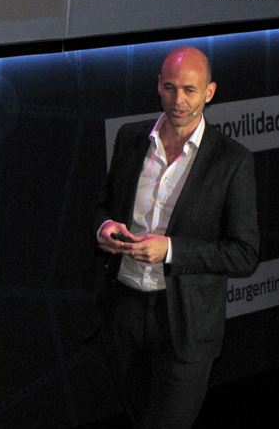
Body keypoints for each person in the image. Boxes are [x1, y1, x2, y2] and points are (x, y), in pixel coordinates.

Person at [93, 46, 259, 429]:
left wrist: (170, 250)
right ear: (158, 85)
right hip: (124, 312)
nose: (178, 100)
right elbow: (104, 205)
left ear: (209, 92)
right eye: (170, 88)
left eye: (189, 90)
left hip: (184, 323)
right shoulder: (131, 138)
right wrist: (104, 228)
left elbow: (244, 253)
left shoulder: (231, 160)